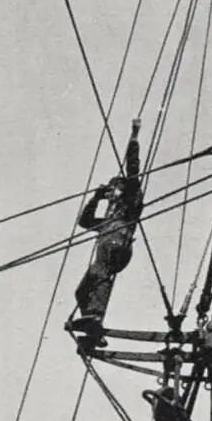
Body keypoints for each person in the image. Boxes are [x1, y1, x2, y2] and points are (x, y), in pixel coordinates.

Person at [69, 119, 143, 344]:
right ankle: (93, 331)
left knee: (100, 270)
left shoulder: (129, 203)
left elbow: (132, 171)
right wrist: (95, 198)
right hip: (108, 248)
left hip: (118, 247)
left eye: (113, 190)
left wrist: (134, 138)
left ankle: (95, 318)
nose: (111, 194)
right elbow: (84, 221)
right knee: (81, 293)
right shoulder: (107, 219)